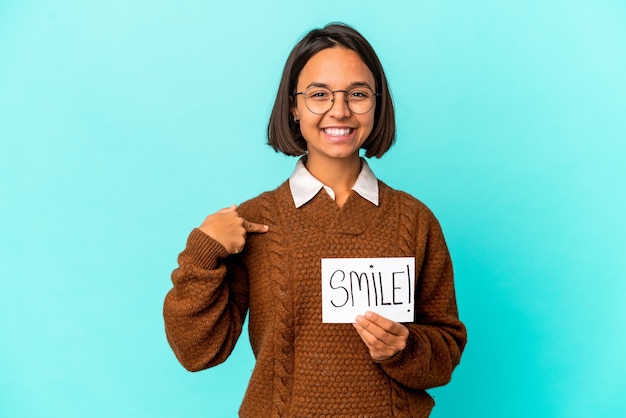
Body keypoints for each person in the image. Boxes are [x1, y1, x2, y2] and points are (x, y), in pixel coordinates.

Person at [163, 23, 467, 417]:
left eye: (357, 94)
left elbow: (446, 349)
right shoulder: (256, 222)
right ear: (293, 106)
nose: (339, 110)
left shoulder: (415, 220)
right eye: (319, 94)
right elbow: (197, 351)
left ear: (377, 103)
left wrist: (404, 347)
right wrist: (202, 254)